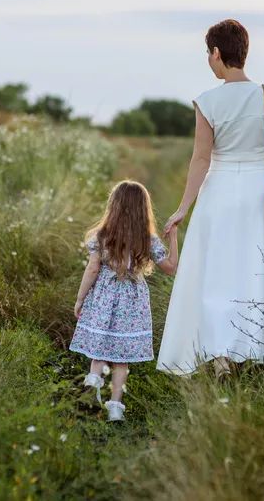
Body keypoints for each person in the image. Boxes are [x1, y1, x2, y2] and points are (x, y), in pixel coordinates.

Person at [157, 18, 264, 377]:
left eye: (208, 53)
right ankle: (249, 349)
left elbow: (201, 158)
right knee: (253, 272)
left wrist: (183, 208)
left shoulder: (208, 101)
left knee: (216, 274)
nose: (209, 59)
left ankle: (219, 356)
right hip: (257, 192)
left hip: (219, 192)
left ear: (217, 53)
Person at [70, 180, 179, 421]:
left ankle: (92, 389)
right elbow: (171, 267)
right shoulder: (147, 240)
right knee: (122, 359)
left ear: (114, 206)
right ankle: (115, 408)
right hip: (133, 301)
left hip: (103, 297)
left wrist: (80, 299)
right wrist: (173, 238)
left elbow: (92, 269)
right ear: (143, 209)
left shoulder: (103, 235)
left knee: (98, 350)